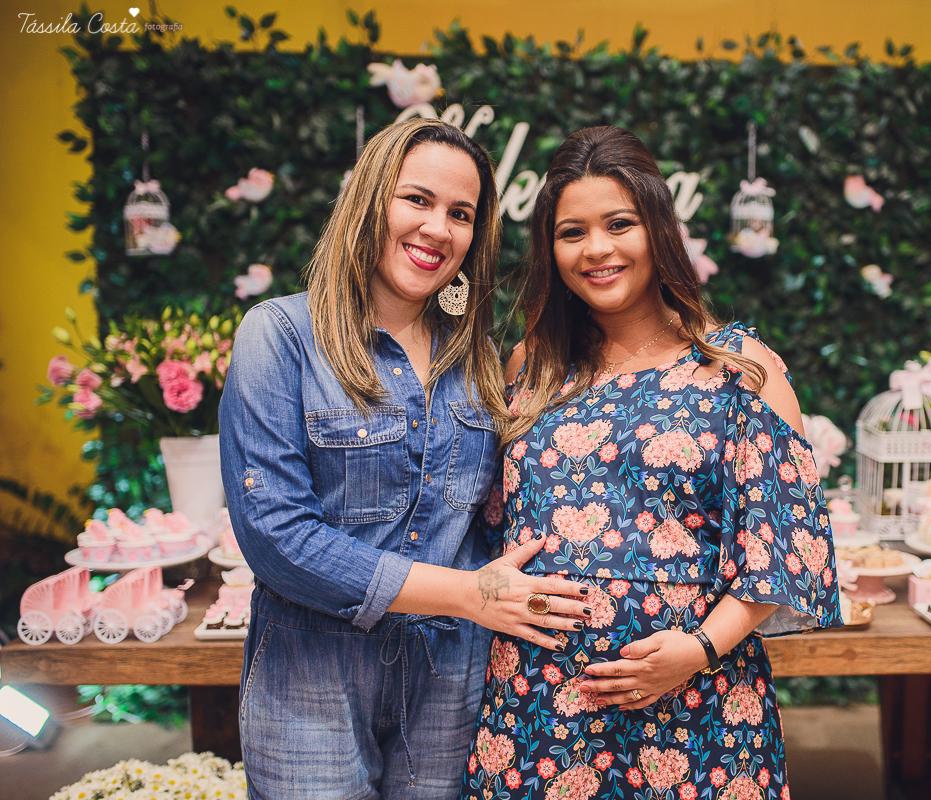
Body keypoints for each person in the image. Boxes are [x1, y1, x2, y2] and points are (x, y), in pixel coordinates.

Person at [459, 125, 843, 800]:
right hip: (537, 705)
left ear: (658, 228)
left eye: (619, 223)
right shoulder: (532, 367)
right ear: (550, 249)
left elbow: (786, 542)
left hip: (697, 706)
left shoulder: (736, 366)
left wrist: (696, 650)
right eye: (571, 231)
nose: (597, 249)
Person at [219, 117, 589, 800]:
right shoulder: (281, 337)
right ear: (369, 201)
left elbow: (488, 514)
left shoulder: (475, 356)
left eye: (461, 214)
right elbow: (275, 537)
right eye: (416, 200)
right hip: (312, 679)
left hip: (447, 677)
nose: (438, 230)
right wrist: (472, 594)